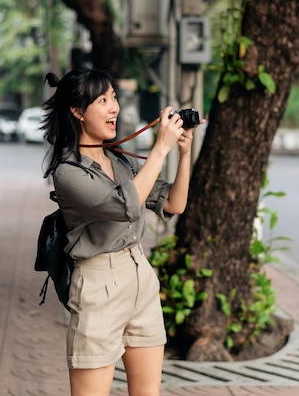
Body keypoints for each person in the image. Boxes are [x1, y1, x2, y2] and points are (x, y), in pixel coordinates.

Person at [40, 67, 194, 396]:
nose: (114, 108)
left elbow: (175, 204)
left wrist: (183, 151)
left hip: (138, 275)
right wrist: (160, 149)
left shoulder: (121, 161)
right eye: (103, 100)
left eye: (114, 98)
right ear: (78, 112)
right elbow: (126, 206)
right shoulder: (69, 173)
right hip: (98, 286)